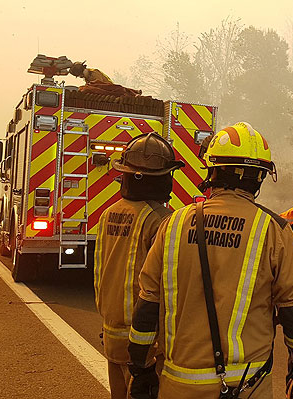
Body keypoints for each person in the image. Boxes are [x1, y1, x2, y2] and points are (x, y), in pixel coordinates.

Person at [127, 122, 293, 399]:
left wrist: (141, 370)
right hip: (247, 385)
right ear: (259, 178)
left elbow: (147, 306)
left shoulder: (172, 224)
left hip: (179, 382)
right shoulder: (273, 230)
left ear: (212, 170)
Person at [94, 132, 184, 399]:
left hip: (112, 334)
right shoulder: (161, 220)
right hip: (144, 342)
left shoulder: (108, 213)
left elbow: (102, 272)